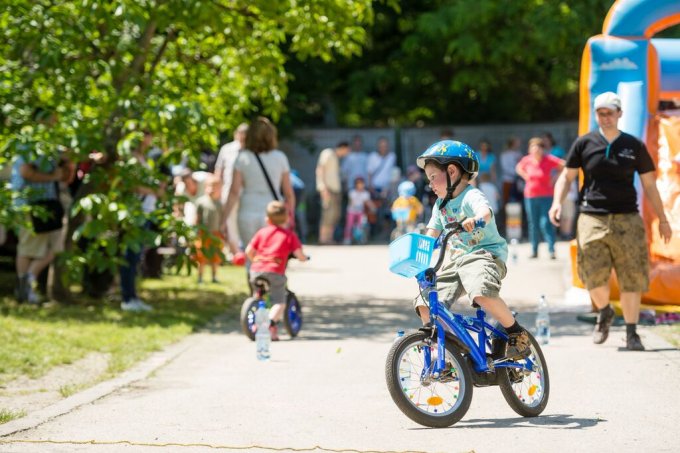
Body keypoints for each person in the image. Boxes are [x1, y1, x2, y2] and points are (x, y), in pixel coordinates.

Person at [549, 91, 672, 351]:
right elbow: (566, 177)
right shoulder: (584, 143)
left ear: (619, 114)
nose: (605, 117)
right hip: (591, 217)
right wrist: (556, 203)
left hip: (627, 218)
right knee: (592, 276)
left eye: (610, 112)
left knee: (632, 277)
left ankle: (631, 333)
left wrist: (662, 218)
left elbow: (650, 184)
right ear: (596, 115)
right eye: (600, 113)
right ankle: (604, 311)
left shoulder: (633, 145)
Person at [415, 139, 531, 359]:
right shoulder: (440, 205)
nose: (430, 184)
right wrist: (416, 254)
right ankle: (449, 355)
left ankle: (516, 332)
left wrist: (475, 219)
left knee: (481, 292)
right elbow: (430, 235)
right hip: (455, 262)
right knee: (426, 303)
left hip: (484, 255)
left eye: (432, 177)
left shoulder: (470, 195)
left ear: (452, 171)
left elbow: (485, 212)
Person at [221, 117, 295, 265]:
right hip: (273, 212)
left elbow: (234, 192)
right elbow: (288, 193)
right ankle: (271, 286)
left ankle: (255, 287)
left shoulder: (242, 158)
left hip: (247, 211)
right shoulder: (280, 158)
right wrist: (290, 215)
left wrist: (224, 219)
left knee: (251, 258)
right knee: (274, 257)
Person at [11, 149, 70, 304]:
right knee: (27, 248)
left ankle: (28, 280)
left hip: (50, 204)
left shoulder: (54, 147)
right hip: (30, 204)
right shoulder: (29, 144)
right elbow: (25, 171)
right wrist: (53, 176)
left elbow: (66, 177)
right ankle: (25, 287)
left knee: (57, 247)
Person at [245, 201, 308, 341]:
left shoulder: (262, 232)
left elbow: (249, 250)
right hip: (274, 271)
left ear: (267, 219)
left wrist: (255, 260)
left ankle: (272, 332)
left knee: (260, 296)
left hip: (256, 270)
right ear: (287, 219)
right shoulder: (289, 235)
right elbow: (299, 254)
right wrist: (304, 258)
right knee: (279, 302)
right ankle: (269, 323)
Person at [515, 137, 564, 259]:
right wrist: (525, 176)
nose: (536, 152)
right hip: (530, 196)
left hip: (546, 195)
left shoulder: (548, 159)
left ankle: (551, 250)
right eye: (533, 150)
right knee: (533, 224)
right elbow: (518, 168)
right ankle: (534, 250)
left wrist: (555, 178)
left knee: (546, 223)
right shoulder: (527, 160)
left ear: (542, 150)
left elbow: (563, 165)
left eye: (538, 150)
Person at [215, 123, 248, 257]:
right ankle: (235, 251)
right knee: (229, 220)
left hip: (245, 192)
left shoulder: (252, 150)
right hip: (228, 190)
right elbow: (219, 170)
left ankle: (245, 250)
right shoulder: (227, 149)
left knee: (244, 220)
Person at [315, 141, 350, 244]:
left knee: (334, 215)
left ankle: (329, 238)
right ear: (343, 148)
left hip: (335, 190)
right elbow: (320, 169)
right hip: (328, 189)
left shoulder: (335, 158)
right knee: (327, 214)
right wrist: (322, 187)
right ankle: (322, 239)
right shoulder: (328, 153)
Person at [194, 175, 223, 283]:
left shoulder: (220, 203)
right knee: (201, 256)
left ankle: (214, 277)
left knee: (216, 256)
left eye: (216, 186)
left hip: (216, 234)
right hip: (203, 234)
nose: (212, 189)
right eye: (210, 186)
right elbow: (197, 219)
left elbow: (222, 220)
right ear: (206, 186)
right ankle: (200, 277)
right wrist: (196, 231)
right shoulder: (201, 201)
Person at [343, 177, 374, 245]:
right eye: (358, 184)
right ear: (356, 184)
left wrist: (373, 207)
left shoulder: (365, 193)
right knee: (349, 225)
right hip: (351, 211)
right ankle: (347, 238)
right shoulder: (352, 192)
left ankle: (360, 238)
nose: (360, 185)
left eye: (361, 184)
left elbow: (368, 202)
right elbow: (351, 202)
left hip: (360, 212)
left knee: (361, 225)